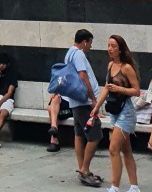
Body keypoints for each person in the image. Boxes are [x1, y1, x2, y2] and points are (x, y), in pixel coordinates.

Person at [89, 35, 141, 192]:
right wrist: (96, 107)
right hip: (114, 112)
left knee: (113, 148)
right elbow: (106, 88)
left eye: (113, 46)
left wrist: (120, 89)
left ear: (120, 49)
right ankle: (134, 186)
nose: (110, 49)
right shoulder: (110, 65)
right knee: (126, 150)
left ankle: (115, 187)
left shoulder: (126, 68)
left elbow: (137, 91)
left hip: (126, 112)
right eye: (108, 45)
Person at [63, 28, 103, 188]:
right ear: (85, 42)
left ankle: (82, 169)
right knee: (95, 134)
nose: (91, 46)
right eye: (90, 43)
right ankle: (85, 170)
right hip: (83, 101)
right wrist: (93, 98)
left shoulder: (69, 53)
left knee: (79, 134)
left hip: (75, 101)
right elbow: (82, 75)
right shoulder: (79, 54)